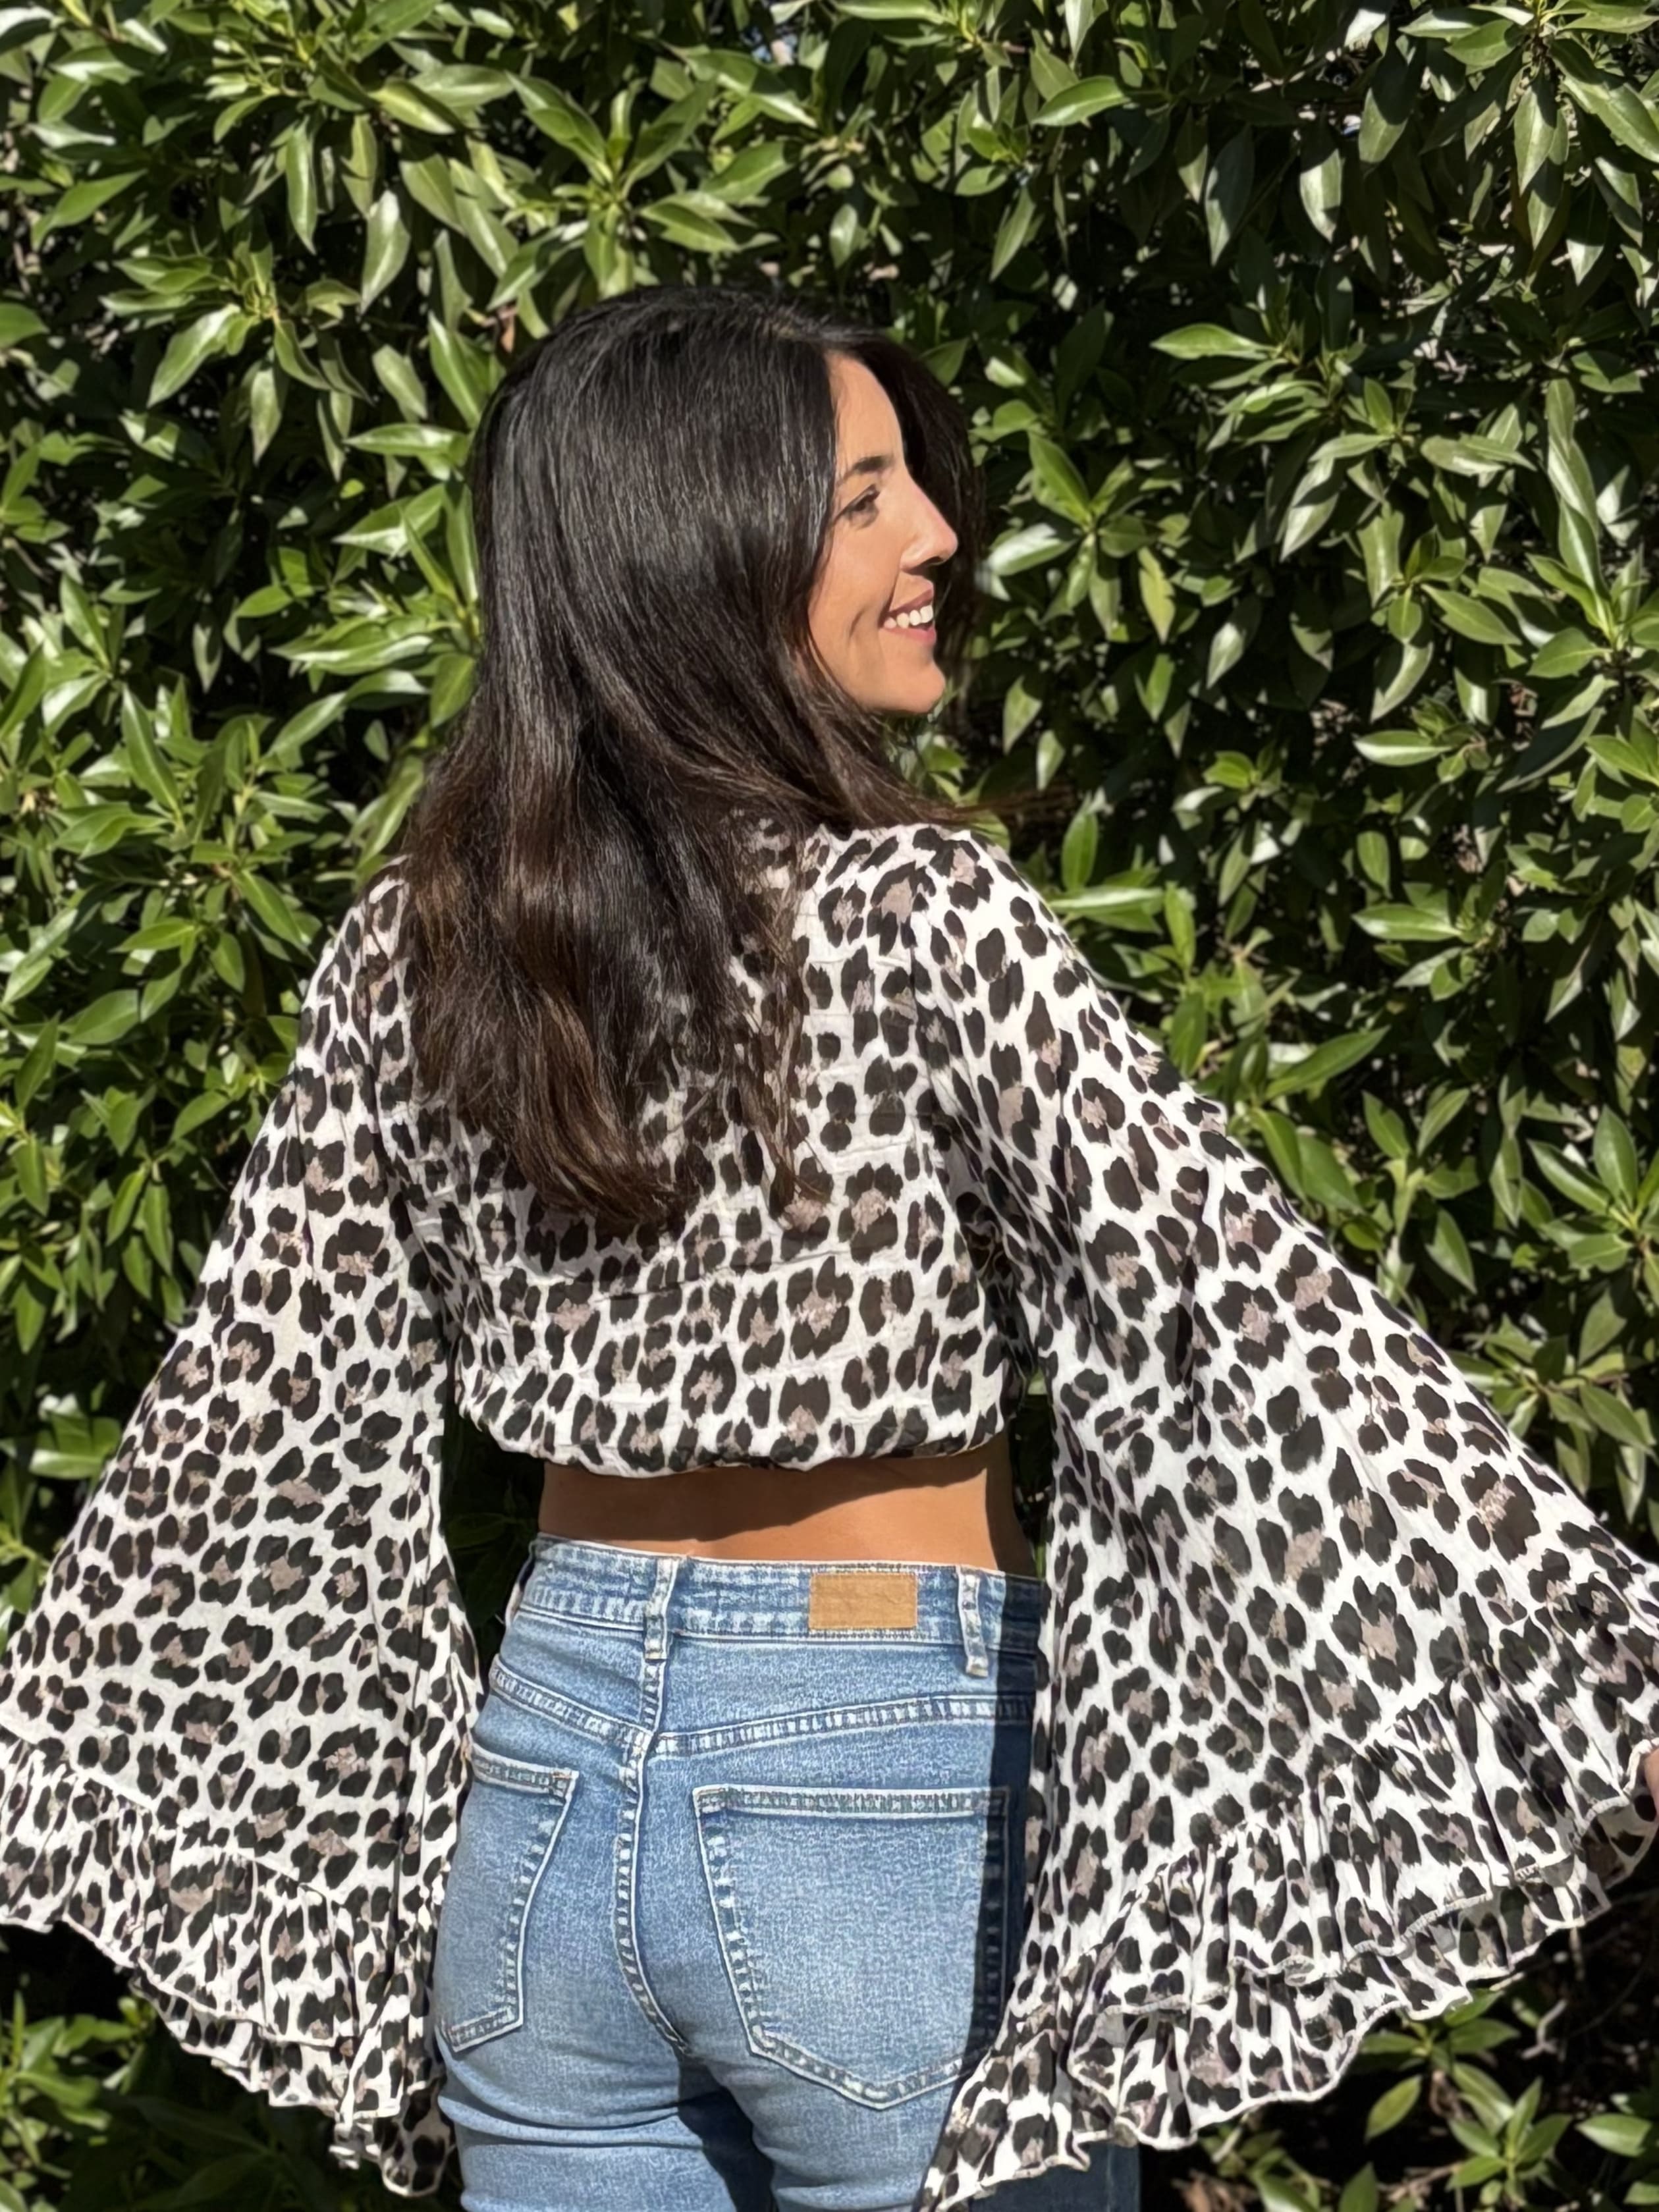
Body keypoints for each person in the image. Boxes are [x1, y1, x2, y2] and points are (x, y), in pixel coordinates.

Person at [1, 283, 1658, 2212]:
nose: (940, 536)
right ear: (704, 553)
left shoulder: (424, 950)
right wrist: (1602, 1671)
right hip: (882, 1778)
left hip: (547, 1792)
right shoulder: (918, 914)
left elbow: (259, 1406)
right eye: (866, 500)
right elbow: (1229, 1315)